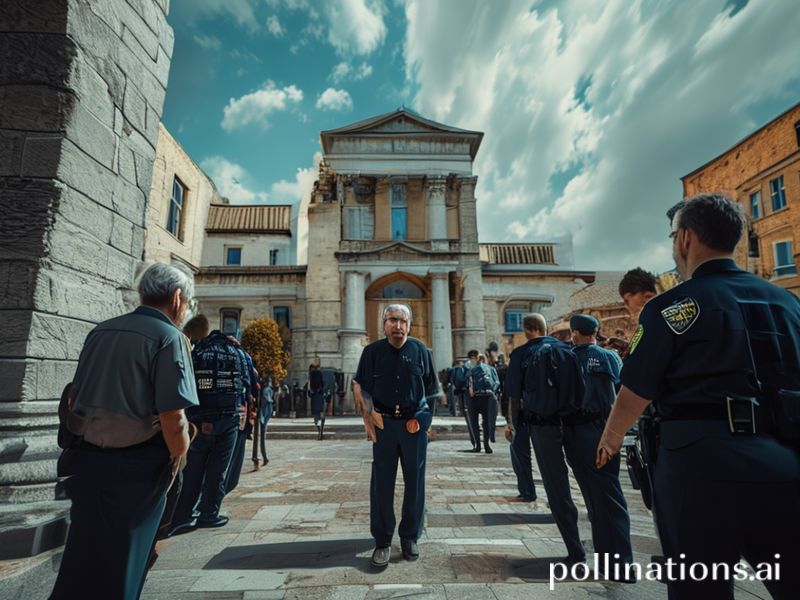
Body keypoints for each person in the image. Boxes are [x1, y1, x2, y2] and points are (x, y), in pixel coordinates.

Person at [597, 193, 800, 599]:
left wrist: (610, 437)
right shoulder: (788, 303)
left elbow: (637, 388)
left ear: (686, 238)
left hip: (700, 465)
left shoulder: (671, 306)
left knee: (700, 587)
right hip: (784, 459)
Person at [51, 262, 198, 600]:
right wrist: (180, 454)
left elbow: (74, 395)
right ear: (177, 299)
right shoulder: (169, 338)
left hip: (87, 461)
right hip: (138, 467)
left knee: (82, 560)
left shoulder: (100, 331)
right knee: (124, 563)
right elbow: (173, 417)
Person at [353, 303, 438, 569]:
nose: (398, 326)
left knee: (415, 482)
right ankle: (382, 540)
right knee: (382, 484)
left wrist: (423, 422)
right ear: (384, 324)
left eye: (403, 321)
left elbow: (432, 392)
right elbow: (362, 388)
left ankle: (410, 536)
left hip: (413, 426)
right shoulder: (372, 352)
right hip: (384, 426)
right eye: (392, 320)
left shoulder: (421, 351)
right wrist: (370, 417)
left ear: (409, 325)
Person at [505, 313, 586, 565]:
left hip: (543, 427)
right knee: (587, 482)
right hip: (576, 424)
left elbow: (514, 397)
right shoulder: (568, 350)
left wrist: (514, 426)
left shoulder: (520, 354)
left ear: (527, 329)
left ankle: (575, 550)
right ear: (545, 328)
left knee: (557, 487)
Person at [567, 313, 633, 579]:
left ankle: (618, 565)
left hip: (577, 435)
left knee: (596, 501)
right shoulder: (611, 358)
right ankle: (613, 562)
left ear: (575, 333)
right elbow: (623, 393)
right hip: (606, 431)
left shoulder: (568, 359)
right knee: (608, 496)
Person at [168, 329, 251, 534]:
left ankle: (183, 515)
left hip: (199, 419)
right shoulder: (237, 353)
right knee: (218, 470)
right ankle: (209, 514)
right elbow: (247, 383)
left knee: (193, 469)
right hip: (228, 419)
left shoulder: (198, 351)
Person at [223, 338, 258, 494]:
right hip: (239, 412)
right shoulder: (243, 356)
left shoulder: (204, 352)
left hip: (205, 414)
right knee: (234, 456)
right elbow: (252, 384)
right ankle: (221, 493)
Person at [467, 353, 500, 453]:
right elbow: (497, 382)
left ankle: (477, 445)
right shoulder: (492, 369)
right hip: (488, 397)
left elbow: (469, 383)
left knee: (474, 422)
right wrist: (492, 391)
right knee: (486, 421)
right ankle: (486, 445)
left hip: (475, 398)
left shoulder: (472, 370)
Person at [309, 363, 326, 439]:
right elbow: (323, 384)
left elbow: (310, 388)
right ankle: (321, 431)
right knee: (321, 413)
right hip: (320, 396)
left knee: (316, 415)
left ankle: (319, 431)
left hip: (315, 397)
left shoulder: (312, 375)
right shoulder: (320, 374)